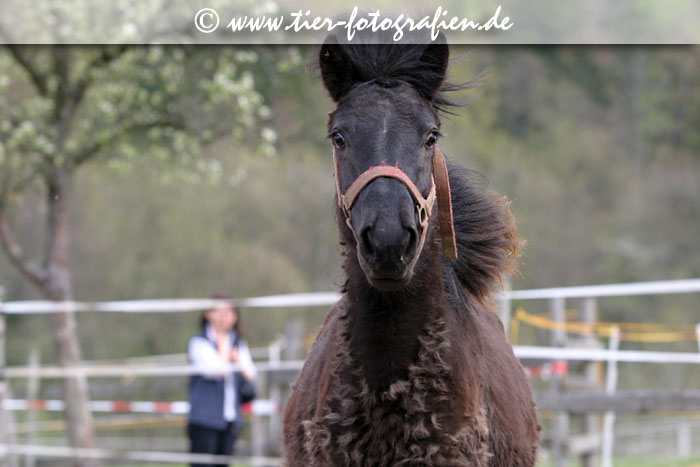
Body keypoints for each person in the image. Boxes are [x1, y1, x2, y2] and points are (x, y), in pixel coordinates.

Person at [187, 295, 257, 467]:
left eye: (230, 311)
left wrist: (237, 360)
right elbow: (216, 371)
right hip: (204, 420)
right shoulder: (199, 342)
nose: (226, 316)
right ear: (208, 314)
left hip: (230, 420)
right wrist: (225, 347)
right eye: (221, 311)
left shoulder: (238, 343)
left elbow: (251, 373)